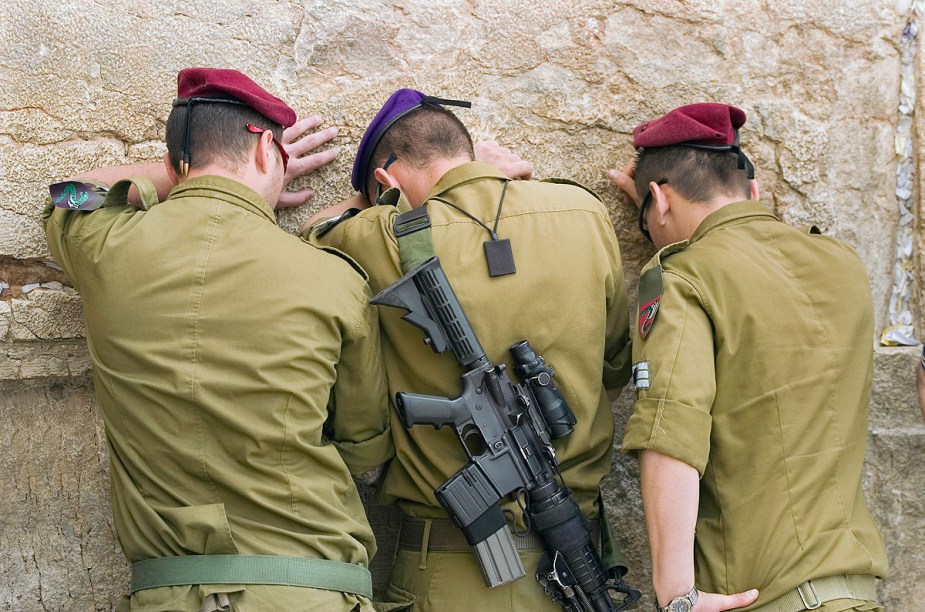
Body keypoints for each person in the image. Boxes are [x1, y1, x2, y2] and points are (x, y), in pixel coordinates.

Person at [42, 67, 394, 612]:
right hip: (309, 591)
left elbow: (66, 193)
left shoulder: (104, 247)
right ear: (265, 150)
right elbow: (365, 444)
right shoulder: (334, 279)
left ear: (169, 166)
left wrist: (180, 173)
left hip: (168, 594)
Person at [305, 88, 633, 611]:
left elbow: (313, 240)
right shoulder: (583, 213)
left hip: (450, 577)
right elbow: (616, 369)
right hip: (575, 558)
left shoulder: (377, 237)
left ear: (386, 181)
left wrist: (372, 201)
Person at [609, 103, 888, 612]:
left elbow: (671, 438)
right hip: (856, 593)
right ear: (752, 191)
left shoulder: (683, 278)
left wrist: (677, 595)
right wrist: (665, 212)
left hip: (760, 599)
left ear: (657, 198)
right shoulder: (843, 265)